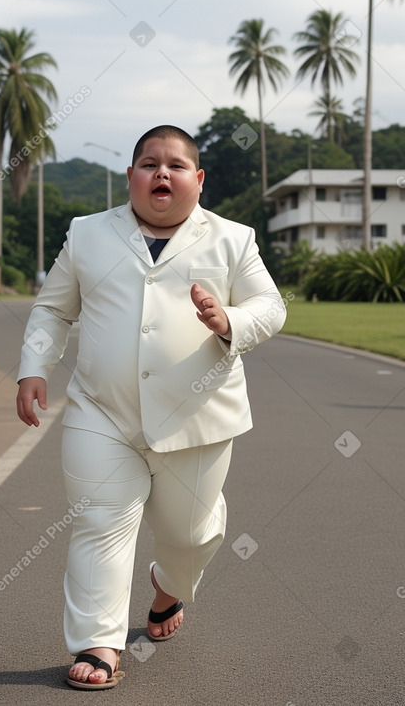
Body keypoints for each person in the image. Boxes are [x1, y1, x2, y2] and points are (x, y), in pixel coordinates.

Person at [16, 125, 286, 690]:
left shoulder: (232, 239)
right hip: (102, 413)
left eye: (176, 165)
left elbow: (271, 306)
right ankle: (99, 643)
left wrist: (229, 320)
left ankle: (168, 589)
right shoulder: (89, 233)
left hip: (199, 417)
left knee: (188, 536)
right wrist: (34, 368)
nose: (161, 173)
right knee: (99, 522)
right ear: (131, 176)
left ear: (199, 179)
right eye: (148, 163)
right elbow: (52, 309)